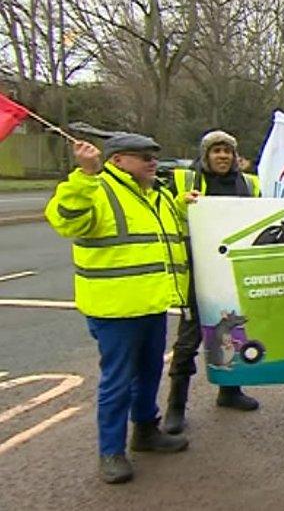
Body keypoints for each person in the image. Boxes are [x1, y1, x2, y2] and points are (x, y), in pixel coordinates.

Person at [45, 134, 191, 484]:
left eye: (154, 156)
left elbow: (163, 237)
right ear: (117, 161)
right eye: (143, 157)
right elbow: (66, 219)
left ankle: (145, 430)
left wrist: (186, 205)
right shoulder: (97, 189)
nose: (152, 162)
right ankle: (110, 451)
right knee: (118, 381)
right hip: (114, 309)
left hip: (151, 303)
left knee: (149, 371)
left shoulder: (154, 195)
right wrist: (84, 176)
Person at [161, 130, 261, 434]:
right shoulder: (185, 181)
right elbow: (162, 209)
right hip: (197, 273)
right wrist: (182, 203)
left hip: (232, 271)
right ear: (205, 155)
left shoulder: (249, 183)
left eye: (227, 151)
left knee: (230, 331)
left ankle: (229, 391)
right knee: (188, 341)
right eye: (216, 151)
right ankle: (175, 407)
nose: (222, 156)